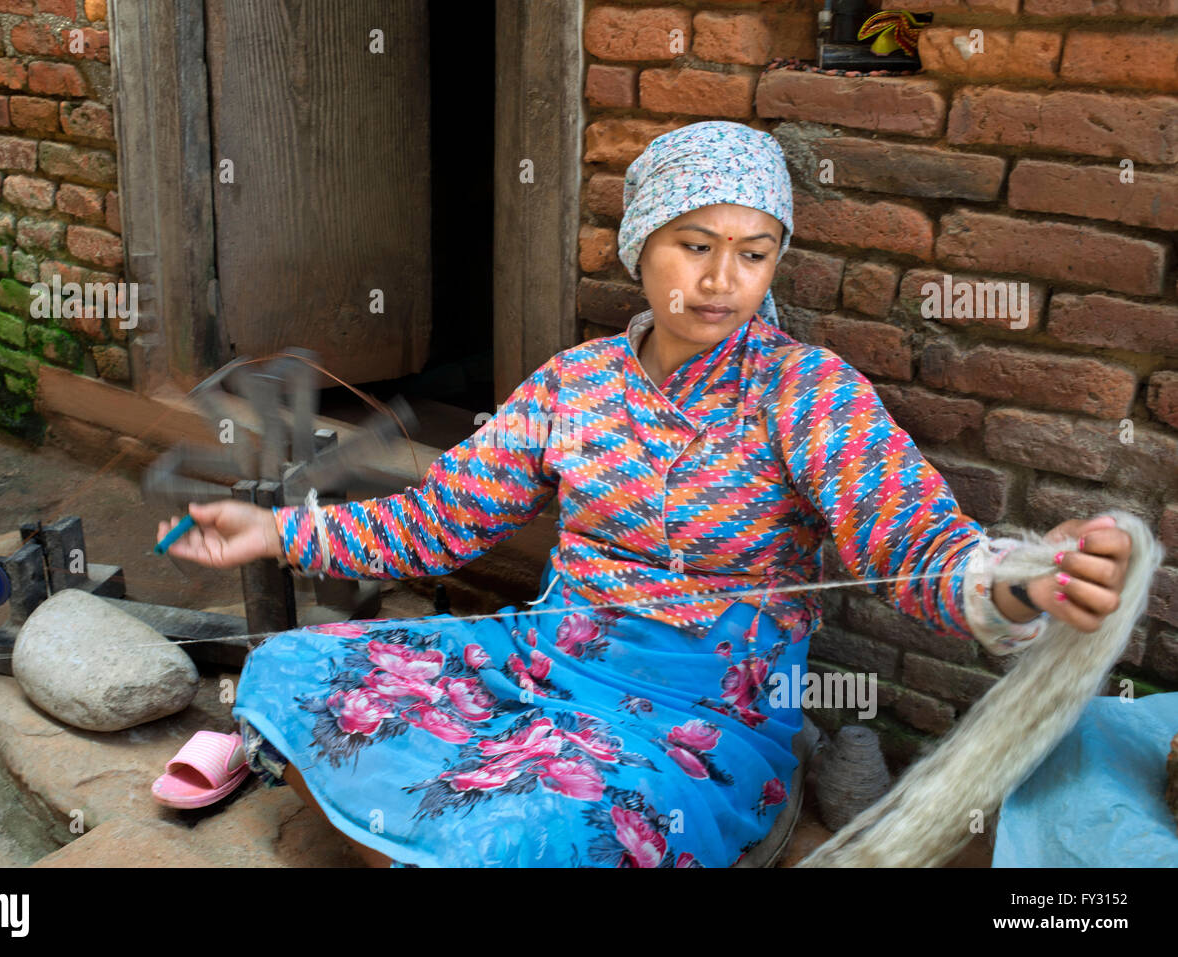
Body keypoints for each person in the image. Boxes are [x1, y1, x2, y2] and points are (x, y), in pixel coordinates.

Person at [157, 121, 1133, 868]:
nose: (723, 281)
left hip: (701, 718)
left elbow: (912, 538)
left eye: (754, 253)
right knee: (291, 665)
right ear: (639, 244)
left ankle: (713, 802)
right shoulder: (574, 385)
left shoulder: (807, 393)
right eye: (693, 245)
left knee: (544, 828)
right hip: (546, 660)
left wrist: (1020, 583)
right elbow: (435, 521)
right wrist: (272, 530)